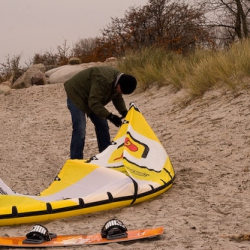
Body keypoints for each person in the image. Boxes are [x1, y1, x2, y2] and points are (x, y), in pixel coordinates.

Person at [64, 66, 137, 159]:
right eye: (122, 91)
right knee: (80, 129)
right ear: (119, 84)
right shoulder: (103, 80)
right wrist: (110, 116)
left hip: (92, 97)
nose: (121, 93)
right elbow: (93, 103)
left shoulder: (118, 81)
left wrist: (124, 112)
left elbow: (117, 98)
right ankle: (75, 160)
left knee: (103, 126)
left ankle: (105, 156)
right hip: (76, 94)